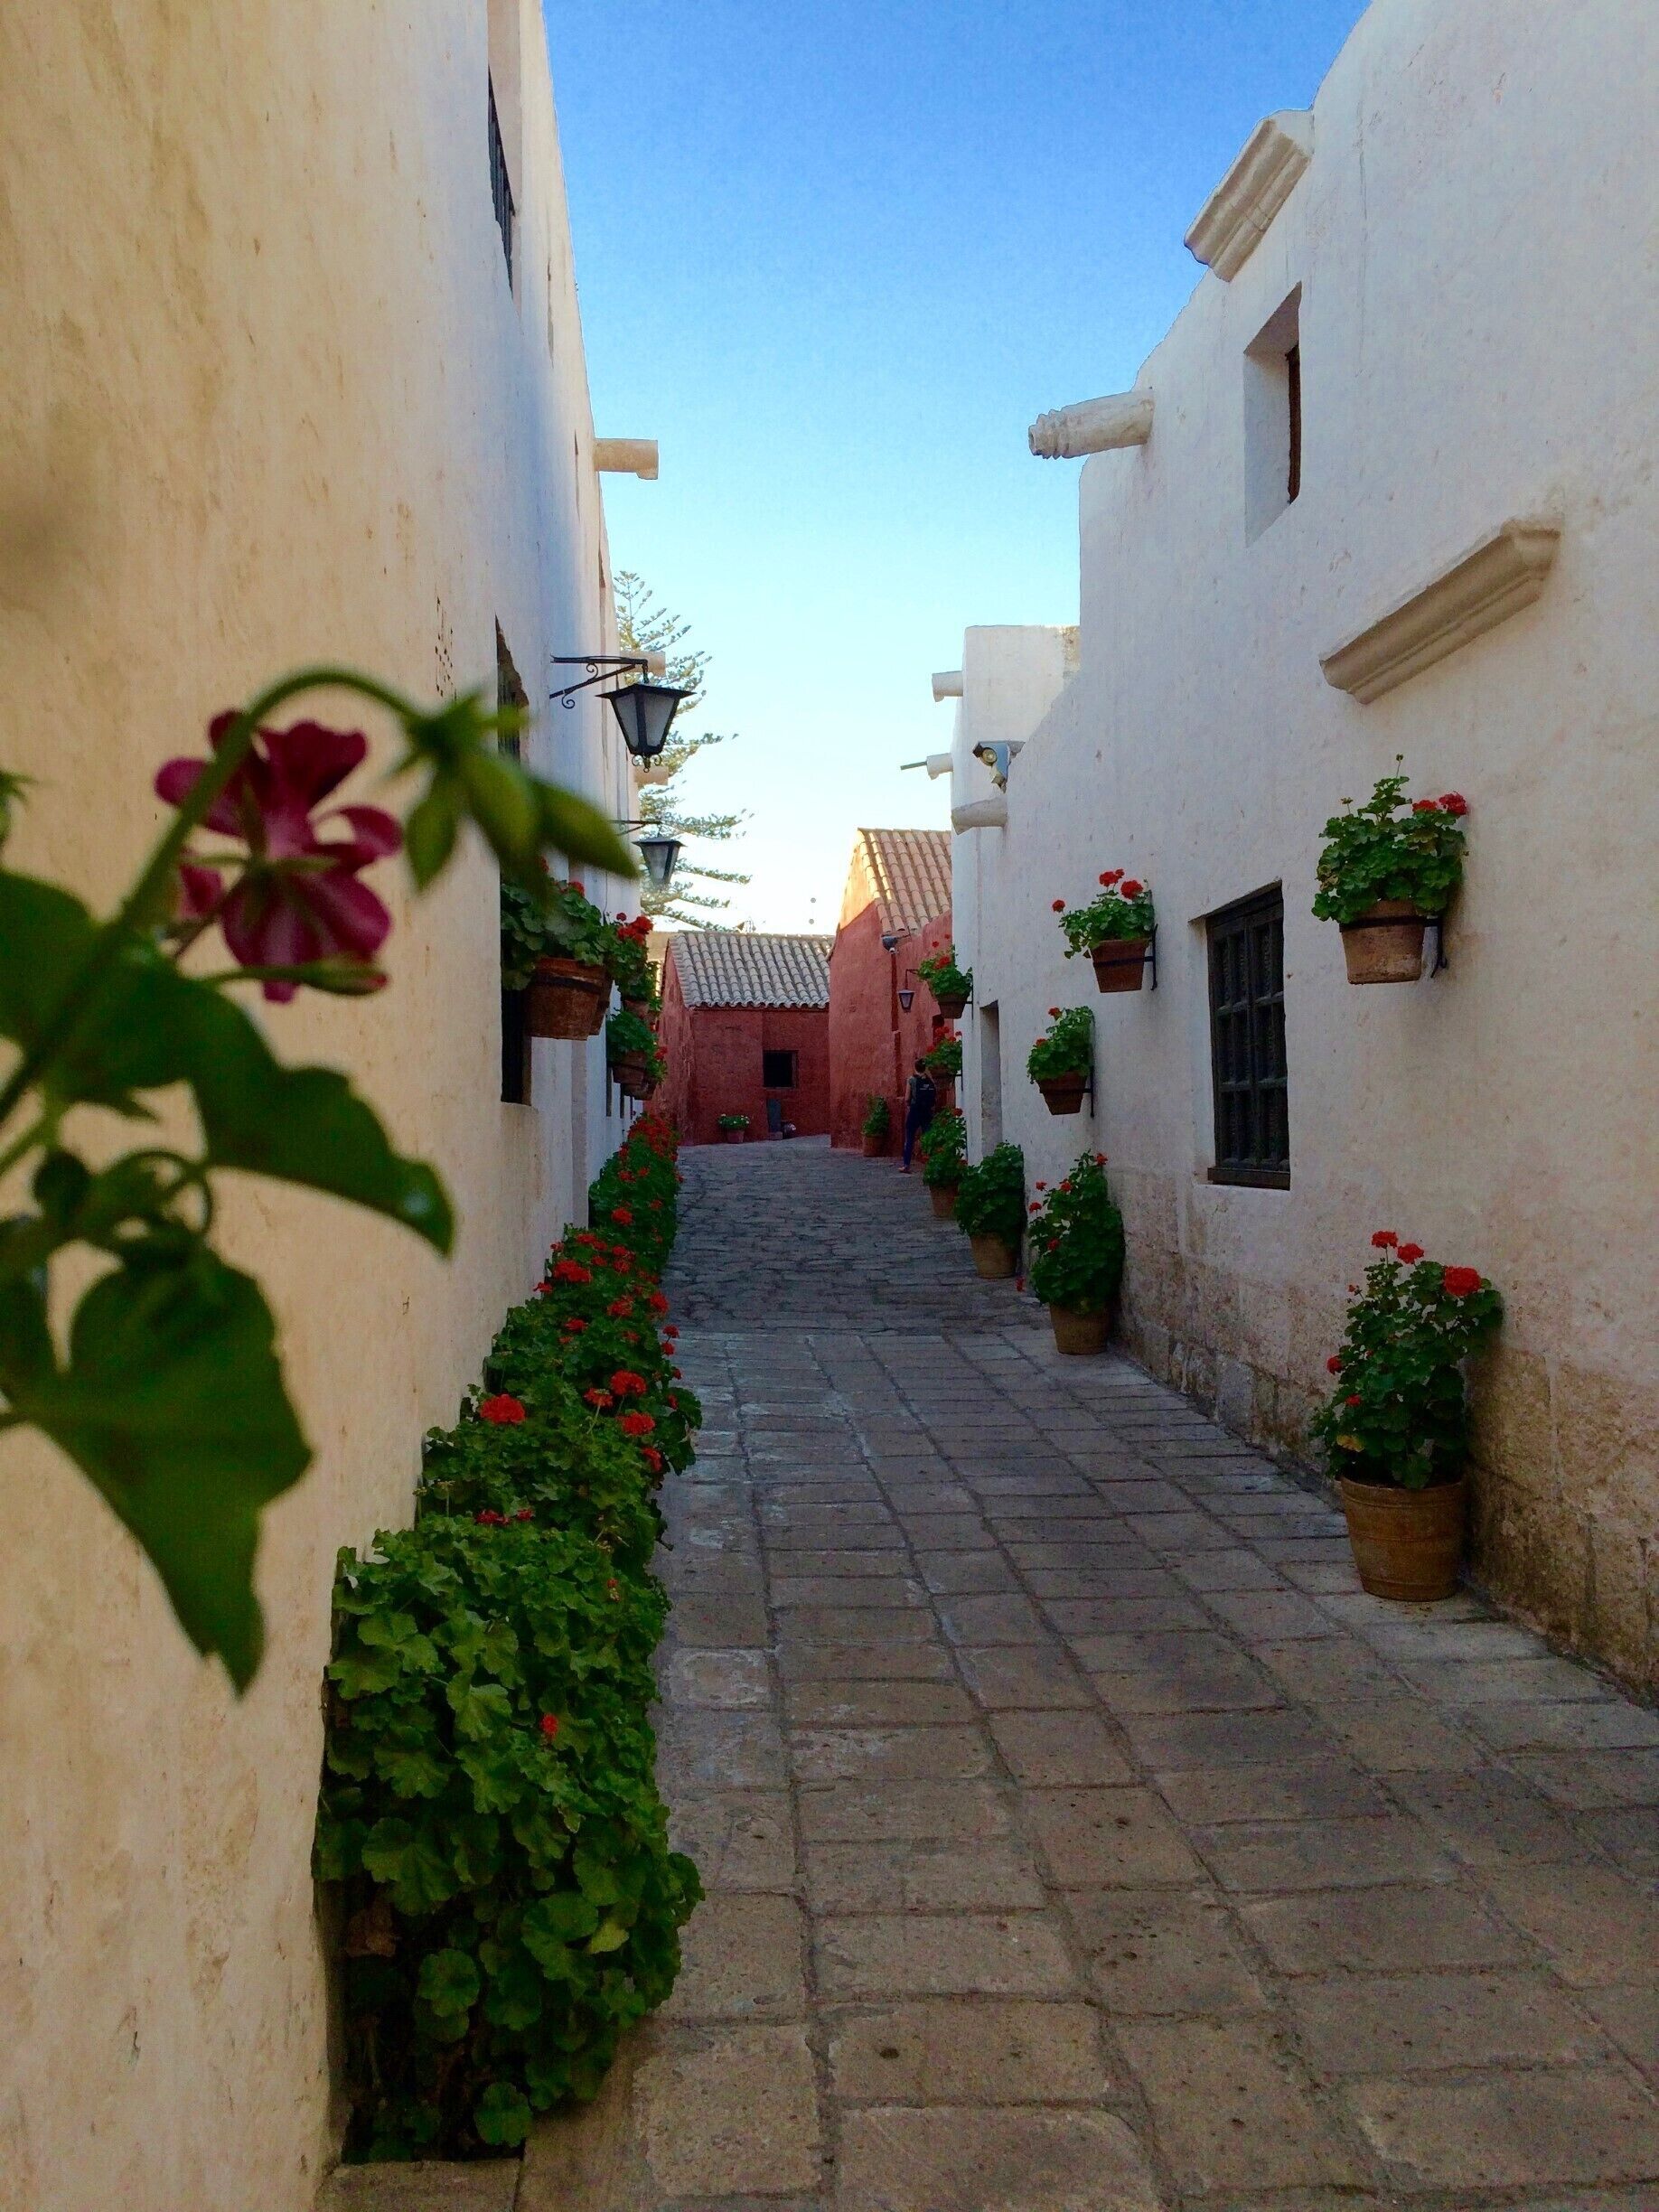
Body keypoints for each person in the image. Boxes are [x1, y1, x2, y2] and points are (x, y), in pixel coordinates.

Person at [899, 1056, 937, 1173]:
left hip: (915, 1111)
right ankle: (933, 1164)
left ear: (915, 1067)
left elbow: (907, 1098)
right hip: (927, 1112)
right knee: (929, 1138)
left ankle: (906, 1165)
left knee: (910, 1138)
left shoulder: (912, 1080)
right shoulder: (930, 1080)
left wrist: (910, 1104)